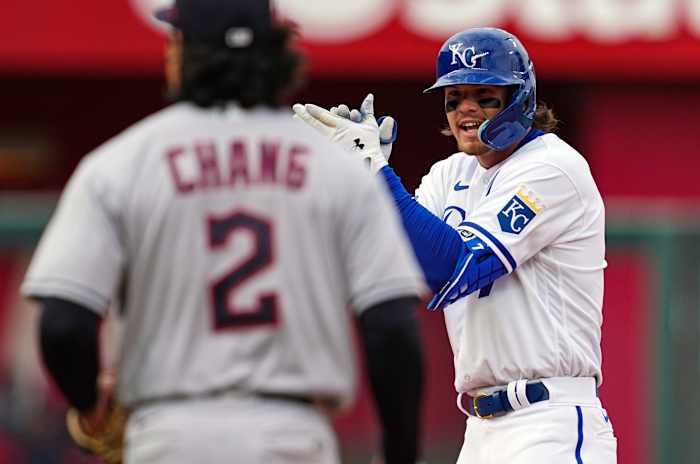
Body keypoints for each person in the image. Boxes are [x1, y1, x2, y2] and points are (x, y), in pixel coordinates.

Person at [20, 1, 427, 463]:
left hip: (170, 432)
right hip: (291, 435)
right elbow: (391, 328)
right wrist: (400, 454)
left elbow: (63, 323)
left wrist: (89, 404)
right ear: (276, 53)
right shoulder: (339, 170)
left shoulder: (120, 162)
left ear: (184, 52)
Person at [293, 27, 617, 463]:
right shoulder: (450, 173)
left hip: (550, 421)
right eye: (454, 96)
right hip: (481, 429)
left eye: (484, 94)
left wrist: (375, 173)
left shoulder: (554, 168)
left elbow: (456, 269)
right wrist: (356, 182)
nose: (466, 108)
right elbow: (401, 263)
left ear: (519, 98)